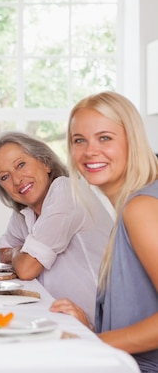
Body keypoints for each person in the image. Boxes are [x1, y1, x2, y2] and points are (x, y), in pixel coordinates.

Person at [50, 91, 158, 372]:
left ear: (132, 141)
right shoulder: (136, 203)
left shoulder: (141, 208)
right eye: (79, 140)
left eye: (105, 138)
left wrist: (93, 342)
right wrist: (89, 327)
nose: (89, 151)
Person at [0, 131, 111, 322]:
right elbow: (3, 251)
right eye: (4, 177)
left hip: (98, 323)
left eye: (21, 165)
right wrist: (20, 253)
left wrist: (17, 253)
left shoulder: (66, 190)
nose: (17, 180)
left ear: (46, 163)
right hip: (57, 315)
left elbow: (26, 269)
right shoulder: (25, 211)